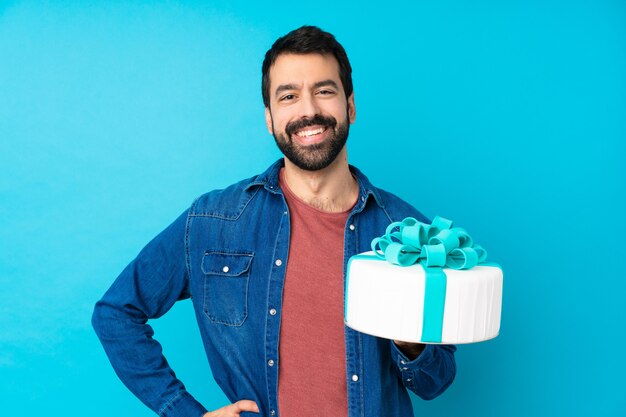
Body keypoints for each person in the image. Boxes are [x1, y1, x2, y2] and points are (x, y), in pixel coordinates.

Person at [92, 25, 456, 417]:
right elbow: (115, 313)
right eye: (288, 96)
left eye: (324, 90)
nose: (308, 110)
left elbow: (437, 381)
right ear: (269, 117)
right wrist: (184, 412)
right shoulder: (213, 221)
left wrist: (411, 343)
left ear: (350, 105)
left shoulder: (407, 233)